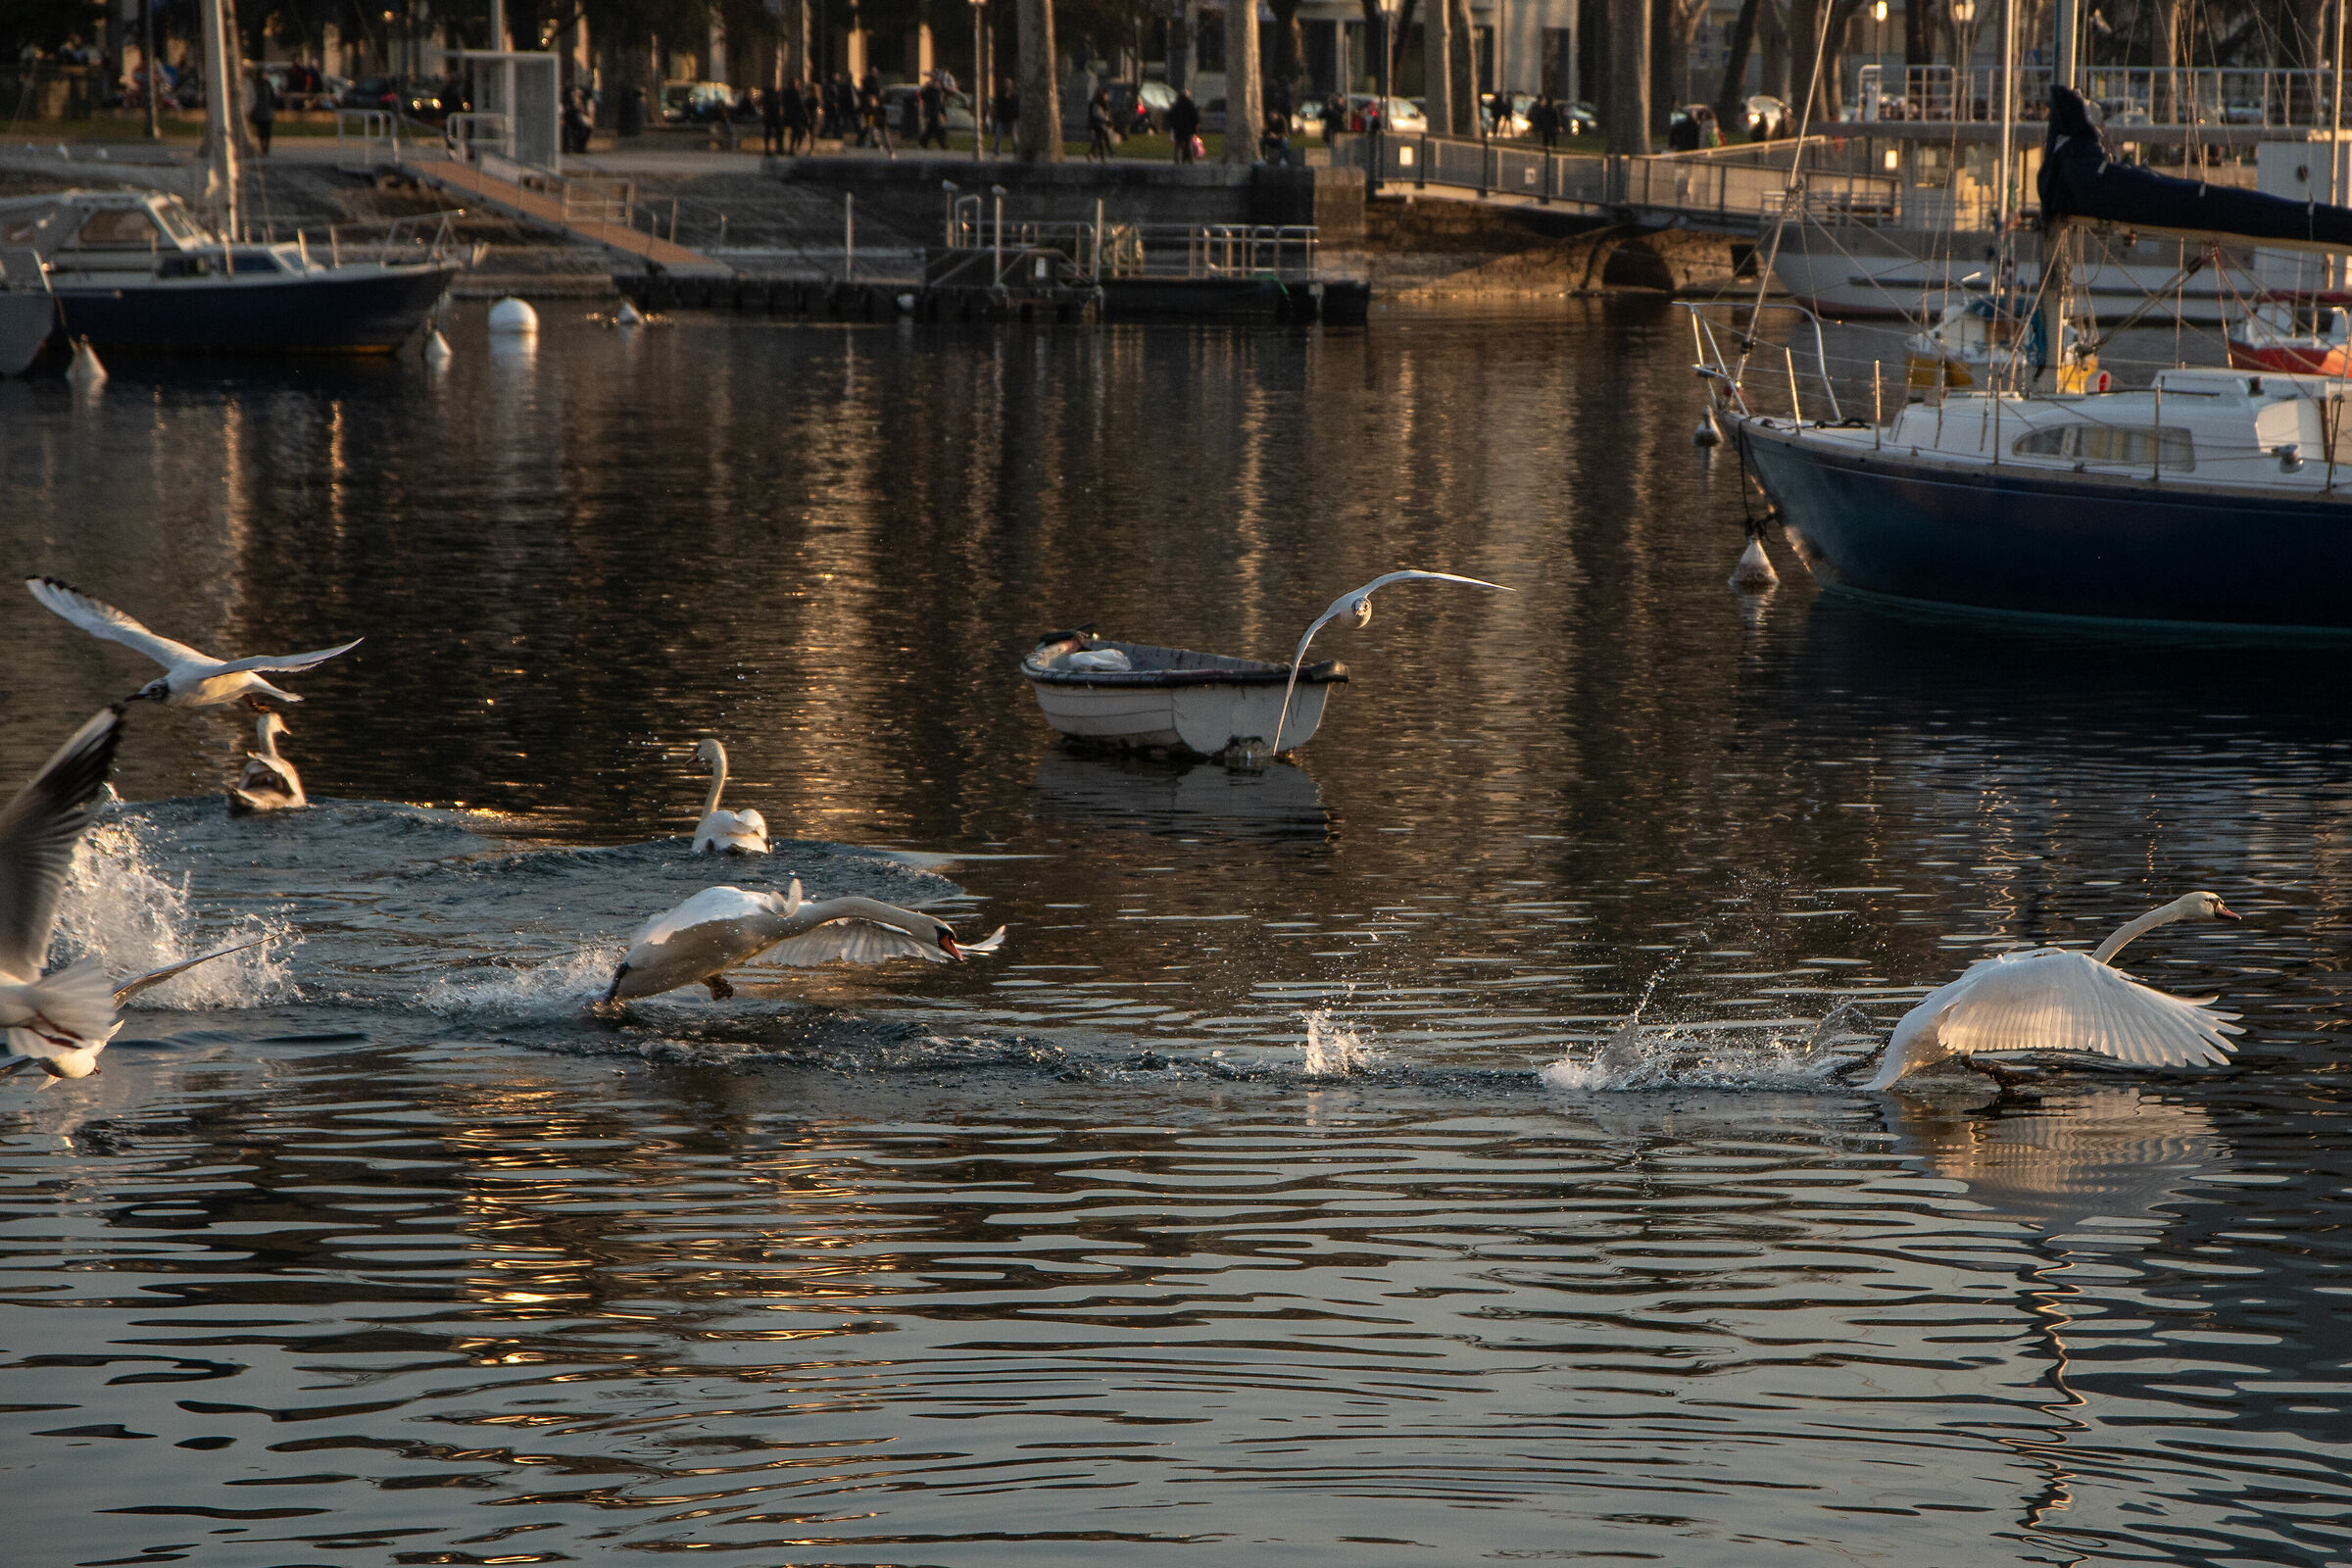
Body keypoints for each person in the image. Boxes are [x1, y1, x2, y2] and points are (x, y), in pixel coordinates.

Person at [248, 69, 275, 157]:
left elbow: (273, 98)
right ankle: (264, 147)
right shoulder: (259, 85)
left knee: (265, 132)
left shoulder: (265, 85)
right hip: (262, 112)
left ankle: (265, 147)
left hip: (264, 112)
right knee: (263, 131)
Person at [1168, 87, 1200, 164]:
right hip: (1187, 128)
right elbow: (1195, 117)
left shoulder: (1176, 106)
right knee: (1188, 144)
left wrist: (1173, 124)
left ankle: (1176, 158)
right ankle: (1189, 159)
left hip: (1178, 128)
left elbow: (1170, 116)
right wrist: (1195, 126)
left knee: (1178, 144)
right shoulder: (1190, 105)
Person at [919, 72, 950, 149]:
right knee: (937, 129)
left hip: (936, 112)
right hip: (932, 112)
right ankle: (942, 144)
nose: (938, 84)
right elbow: (925, 99)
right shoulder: (930, 91)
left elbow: (940, 104)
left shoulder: (938, 91)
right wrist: (927, 114)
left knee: (932, 129)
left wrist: (943, 113)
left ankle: (923, 142)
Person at [1086, 87, 1114, 162]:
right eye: (1106, 95)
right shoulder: (1098, 104)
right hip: (1098, 124)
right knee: (1099, 139)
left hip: (1099, 124)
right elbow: (1099, 114)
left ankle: (1097, 154)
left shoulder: (1098, 103)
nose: (1107, 96)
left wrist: (1107, 120)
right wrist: (1107, 120)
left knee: (1099, 139)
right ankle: (1096, 154)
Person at [992, 76, 1018, 155]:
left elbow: (1016, 106)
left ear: (1011, 85)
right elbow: (997, 104)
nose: (1007, 85)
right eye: (1006, 83)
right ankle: (996, 152)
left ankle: (1016, 151)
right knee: (998, 136)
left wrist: (1017, 117)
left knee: (1014, 137)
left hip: (1012, 119)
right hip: (1001, 118)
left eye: (1008, 84)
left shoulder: (1015, 95)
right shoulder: (1000, 94)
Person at [760, 82, 785, 155]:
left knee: (769, 132)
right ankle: (778, 148)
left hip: (769, 116)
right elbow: (776, 105)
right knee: (778, 132)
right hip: (773, 116)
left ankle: (769, 148)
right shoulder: (773, 95)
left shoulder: (766, 95)